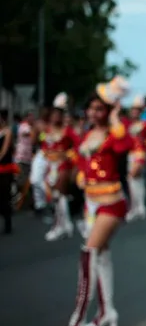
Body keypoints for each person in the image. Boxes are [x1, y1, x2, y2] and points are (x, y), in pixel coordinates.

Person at [58, 77, 133, 326]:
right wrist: (80, 177)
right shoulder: (87, 133)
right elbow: (80, 160)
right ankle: (106, 314)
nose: (94, 112)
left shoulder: (115, 132)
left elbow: (124, 147)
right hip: (91, 203)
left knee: (88, 253)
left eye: (100, 109)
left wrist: (115, 116)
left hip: (111, 203)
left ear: (109, 110)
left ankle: (76, 322)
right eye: (91, 108)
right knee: (101, 257)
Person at [42, 93, 80, 241]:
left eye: (59, 113)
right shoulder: (48, 131)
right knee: (55, 197)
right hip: (50, 165)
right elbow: (44, 144)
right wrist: (45, 153)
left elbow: (78, 144)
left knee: (60, 195)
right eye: (54, 114)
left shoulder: (67, 130)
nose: (56, 116)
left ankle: (61, 225)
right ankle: (65, 225)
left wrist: (70, 156)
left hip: (63, 165)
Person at [0, 110, 17, 233]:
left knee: (4, 195)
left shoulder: (8, 132)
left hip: (5, 167)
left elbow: (4, 150)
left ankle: (7, 223)